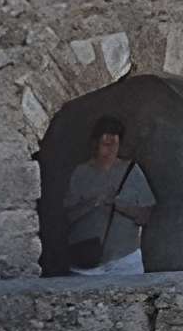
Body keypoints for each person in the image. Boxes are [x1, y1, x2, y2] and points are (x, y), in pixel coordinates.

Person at [59, 117, 157, 275]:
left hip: (124, 260)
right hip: (86, 262)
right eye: (106, 144)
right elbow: (68, 216)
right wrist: (95, 202)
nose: (110, 149)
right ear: (95, 143)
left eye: (114, 144)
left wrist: (119, 205)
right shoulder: (81, 173)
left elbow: (145, 217)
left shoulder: (132, 171)